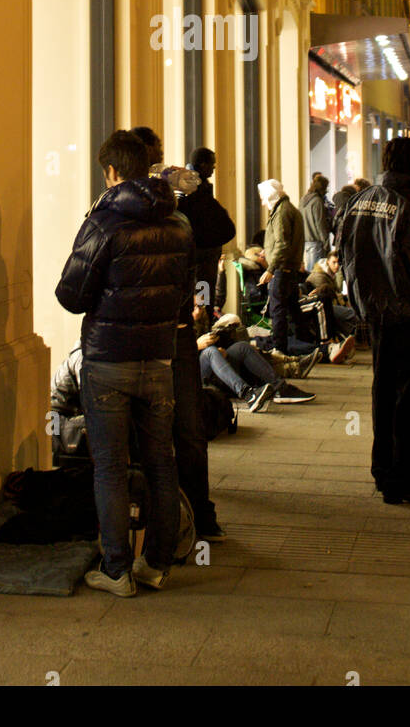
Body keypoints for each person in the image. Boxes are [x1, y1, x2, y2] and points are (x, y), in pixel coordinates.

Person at [56, 129, 193, 595]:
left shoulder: (103, 223)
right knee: (161, 462)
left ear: (112, 173)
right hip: (158, 359)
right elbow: (183, 297)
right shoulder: (178, 224)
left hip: (108, 361)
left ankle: (116, 569)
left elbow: (70, 296)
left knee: (111, 467)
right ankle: (156, 564)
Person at [340, 136, 410, 505]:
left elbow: (345, 256)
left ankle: (383, 472)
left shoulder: (361, 201)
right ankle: (403, 480)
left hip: (377, 316)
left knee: (384, 394)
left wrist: (362, 304)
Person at [131, 127, 223, 543]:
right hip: (153, 336)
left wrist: (195, 192)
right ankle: (166, 517)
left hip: (164, 334)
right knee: (167, 429)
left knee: (182, 429)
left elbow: (220, 229)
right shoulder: (130, 214)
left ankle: (189, 516)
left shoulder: (180, 213)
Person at [177, 147, 236, 318]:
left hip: (203, 257)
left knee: (204, 297)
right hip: (200, 259)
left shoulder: (197, 187)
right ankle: (203, 329)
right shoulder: (190, 188)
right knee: (202, 300)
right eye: (212, 164)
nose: (214, 168)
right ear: (202, 165)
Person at [197, 324, 315, 408]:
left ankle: (280, 388)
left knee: (242, 346)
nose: (198, 310)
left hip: (213, 365)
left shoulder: (203, 314)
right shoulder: (181, 319)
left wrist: (220, 348)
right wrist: (197, 345)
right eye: (195, 307)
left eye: (200, 307)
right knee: (210, 352)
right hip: (194, 372)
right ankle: (247, 394)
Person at [257, 179, 307, 355]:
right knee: (293, 309)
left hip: (282, 268)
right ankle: (307, 344)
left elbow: (282, 243)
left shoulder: (281, 212)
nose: (263, 202)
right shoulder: (289, 209)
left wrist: (270, 269)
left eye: (263, 197)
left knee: (277, 309)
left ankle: (279, 348)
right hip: (289, 267)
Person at [305, 253, 357, 362]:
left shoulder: (329, 275)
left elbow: (337, 292)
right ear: (327, 262)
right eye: (334, 262)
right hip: (323, 306)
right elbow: (332, 295)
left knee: (349, 313)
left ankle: (340, 343)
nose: (337, 265)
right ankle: (330, 346)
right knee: (351, 314)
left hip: (327, 305)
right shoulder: (319, 276)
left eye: (338, 263)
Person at [300, 173, 331, 269]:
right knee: (318, 273)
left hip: (306, 242)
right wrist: (326, 244)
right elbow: (320, 224)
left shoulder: (303, 200)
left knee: (310, 273)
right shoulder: (317, 201)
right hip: (317, 244)